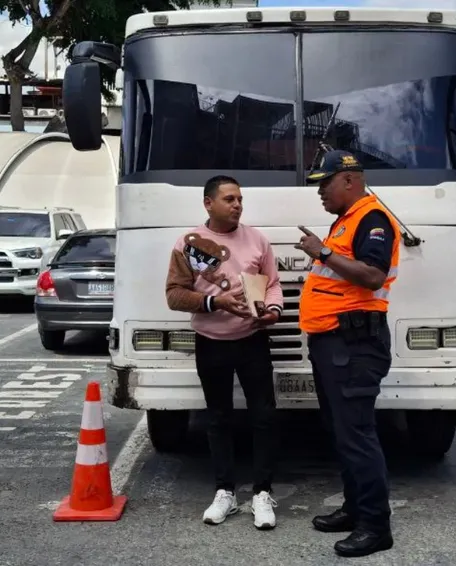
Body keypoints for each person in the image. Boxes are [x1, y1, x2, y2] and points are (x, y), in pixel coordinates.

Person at [294, 150, 400, 558]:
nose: (320, 191)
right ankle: (355, 508)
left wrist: (321, 252)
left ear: (350, 180)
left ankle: (375, 526)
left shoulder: (372, 219)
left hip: (354, 346)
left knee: (357, 435)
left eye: (326, 182)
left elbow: (372, 277)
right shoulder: (348, 220)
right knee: (341, 432)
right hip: (333, 343)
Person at [164, 174, 285, 530]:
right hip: (211, 343)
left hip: (252, 340)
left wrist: (274, 311)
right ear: (208, 203)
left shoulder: (257, 239)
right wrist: (215, 300)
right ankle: (225, 492)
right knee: (218, 418)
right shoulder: (189, 244)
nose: (237, 205)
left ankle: (262, 492)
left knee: (264, 416)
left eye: (240, 199)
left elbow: (272, 284)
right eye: (229, 199)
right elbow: (174, 294)